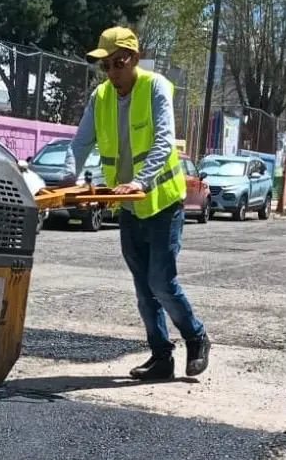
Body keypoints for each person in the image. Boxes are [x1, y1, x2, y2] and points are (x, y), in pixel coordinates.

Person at [64, 26, 211, 380]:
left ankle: (196, 337)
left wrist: (140, 181)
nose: (111, 72)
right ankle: (161, 357)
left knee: (161, 282)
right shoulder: (101, 97)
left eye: (118, 63)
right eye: (105, 66)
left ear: (134, 59)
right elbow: (81, 142)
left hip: (162, 204)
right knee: (144, 290)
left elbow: (164, 141)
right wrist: (68, 177)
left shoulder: (155, 87)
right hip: (129, 206)